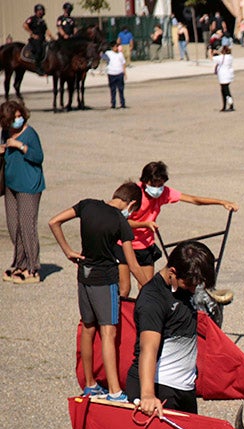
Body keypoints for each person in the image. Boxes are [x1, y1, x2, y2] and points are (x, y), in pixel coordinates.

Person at [47, 182, 146, 402]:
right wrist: (149, 289)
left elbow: (54, 222)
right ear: (131, 204)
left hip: (84, 275)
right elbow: (133, 264)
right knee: (108, 333)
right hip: (105, 279)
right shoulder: (121, 221)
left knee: (88, 327)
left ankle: (90, 384)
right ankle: (114, 391)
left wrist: (68, 251)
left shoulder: (87, 205)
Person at [118, 161, 238, 297]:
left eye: (160, 185)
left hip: (145, 245)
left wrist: (222, 202)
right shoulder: (134, 193)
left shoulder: (164, 192)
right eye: (154, 185)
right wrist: (144, 224)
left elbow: (193, 199)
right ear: (145, 181)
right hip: (125, 244)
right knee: (124, 289)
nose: (157, 189)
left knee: (146, 288)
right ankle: (119, 317)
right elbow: (120, 221)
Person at [127, 241, 217, 417]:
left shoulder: (183, 284)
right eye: (189, 284)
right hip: (161, 389)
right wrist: (147, 395)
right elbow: (148, 348)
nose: (194, 289)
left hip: (184, 387)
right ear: (172, 272)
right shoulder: (152, 300)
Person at [1, 101, 45, 285]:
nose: (18, 120)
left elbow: (38, 156)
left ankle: (32, 268)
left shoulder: (30, 133)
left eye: (20, 116)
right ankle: (20, 263)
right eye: (14, 118)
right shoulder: (5, 132)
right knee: (13, 226)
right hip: (11, 185)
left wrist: (20, 145)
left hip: (29, 185)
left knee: (27, 226)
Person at [23, 4, 53, 73]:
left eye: (42, 11)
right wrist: (32, 34)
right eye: (40, 10)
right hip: (35, 39)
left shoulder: (42, 21)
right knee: (39, 50)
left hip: (42, 39)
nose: (41, 12)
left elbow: (46, 30)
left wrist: (52, 37)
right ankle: (37, 66)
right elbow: (25, 25)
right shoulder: (32, 18)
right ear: (36, 11)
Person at [103, 43, 126, 110]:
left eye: (117, 47)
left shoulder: (120, 54)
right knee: (113, 90)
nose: (117, 48)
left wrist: (124, 73)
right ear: (112, 47)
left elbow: (123, 63)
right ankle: (113, 104)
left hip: (119, 73)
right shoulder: (108, 53)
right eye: (116, 47)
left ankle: (122, 104)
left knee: (121, 89)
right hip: (111, 73)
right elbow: (103, 57)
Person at [213, 44, 234, 111]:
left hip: (223, 76)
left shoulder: (222, 57)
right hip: (229, 75)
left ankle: (230, 104)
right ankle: (226, 105)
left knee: (225, 91)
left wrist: (212, 52)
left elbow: (213, 58)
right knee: (225, 90)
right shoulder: (230, 57)